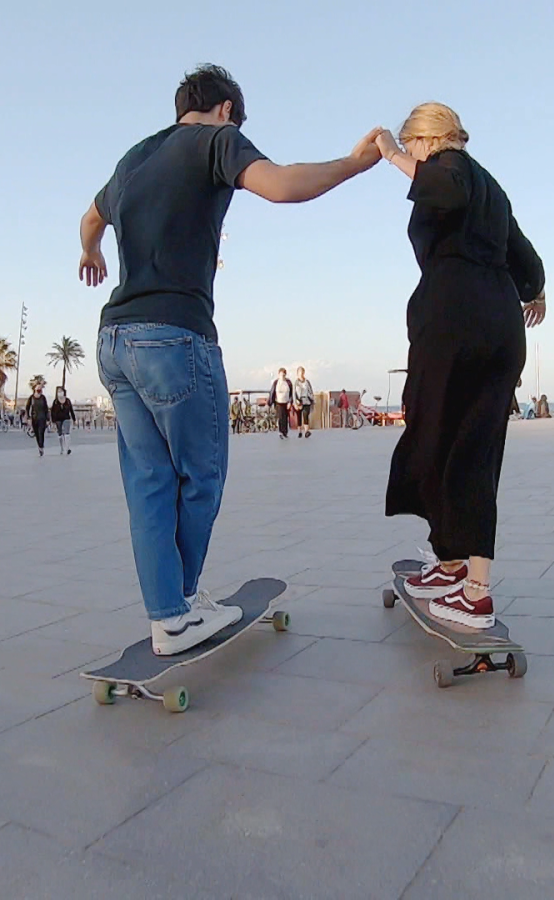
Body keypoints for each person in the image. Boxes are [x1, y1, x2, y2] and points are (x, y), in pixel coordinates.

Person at [78, 65, 383, 655]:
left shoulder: (133, 159)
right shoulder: (216, 140)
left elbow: (90, 217)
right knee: (201, 477)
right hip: (173, 336)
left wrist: (92, 253)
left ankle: (168, 611)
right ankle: (182, 605)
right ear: (224, 110)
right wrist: (354, 164)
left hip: (114, 340)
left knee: (148, 483)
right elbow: (284, 184)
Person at [375, 103, 546, 631]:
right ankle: (451, 565)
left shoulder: (451, 167)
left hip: (454, 321)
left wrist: (392, 155)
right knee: (467, 443)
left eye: (416, 144)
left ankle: (475, 591)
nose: (416, 157)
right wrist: (535, 291)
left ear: (428, 138)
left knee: (440, 439)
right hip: (498, 325)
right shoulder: (491, 187)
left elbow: (441, 187)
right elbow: (528, 260)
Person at [25, 382, 50, 456]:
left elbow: (46, 409)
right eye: (38, 388)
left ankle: (41, 447)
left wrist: (48, 419)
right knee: (36, 434)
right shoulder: (31, 398)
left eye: (40, 388)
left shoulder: (43, 398)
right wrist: (28, 418)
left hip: (42, 419)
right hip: (34, 418)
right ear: (35, 389)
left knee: (41, 433)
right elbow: (27, 408)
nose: (39, 389)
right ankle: (39, 446)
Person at [269, 367, 294, 440]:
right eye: (281, 375)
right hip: (278, 402)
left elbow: (291, 393)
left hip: (286, 402)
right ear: (278, 375)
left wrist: (290, 402)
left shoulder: (288, 382)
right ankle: (280, 431)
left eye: (283, 375)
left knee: (285, 417)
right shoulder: (276, 382)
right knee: (280, 416)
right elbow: (272, 392)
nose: (282, 376)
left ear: (285, 375)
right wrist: (270, 403)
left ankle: (285, 432)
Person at [51, 386, 75, 455]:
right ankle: (62, 448)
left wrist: (74, 419)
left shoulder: (67, 401)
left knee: (67, 433)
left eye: (61, 391)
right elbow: (52, 411)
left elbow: (71, 410)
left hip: (66, 418)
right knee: (60, 433)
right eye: (58, 391)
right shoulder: (55, 402)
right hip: (58, 419)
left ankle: (67, 448)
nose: (60, 393)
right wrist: (53, 420)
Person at [292, 367, 315, 438]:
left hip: (306, 400)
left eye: (302, 372)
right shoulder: (296, 382)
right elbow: (294, 393)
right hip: (299, 400)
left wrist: (312, 400)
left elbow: (310, 391)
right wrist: (295, 402)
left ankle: (306, 431)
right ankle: (299, 431)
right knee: (299, 416)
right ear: (297, 374)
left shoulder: (307, 382)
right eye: (299, 373)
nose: (301, 374)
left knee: (305, 415)